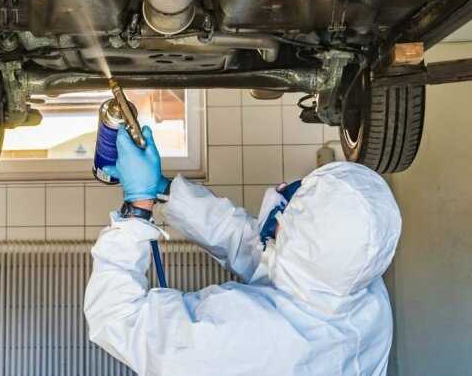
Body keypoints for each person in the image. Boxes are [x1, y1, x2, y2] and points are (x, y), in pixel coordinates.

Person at [84, 125, 402, 376]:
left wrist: (137, 208)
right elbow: (256, 248)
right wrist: (164, 190)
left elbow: (117, 316)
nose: (282, 190)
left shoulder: (249, 338)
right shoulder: (360, 293)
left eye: (293, 206)